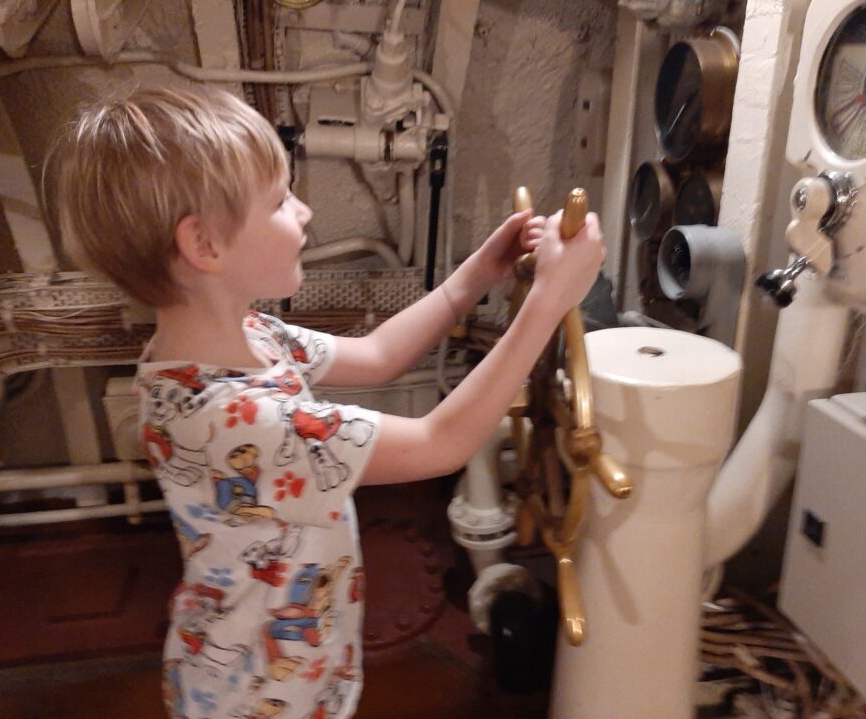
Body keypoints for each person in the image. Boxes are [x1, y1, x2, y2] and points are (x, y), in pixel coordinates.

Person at [54, 84, 604, 719]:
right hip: (263, 694)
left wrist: (474, 276)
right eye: (280, 200)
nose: (304, 211)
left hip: (268, 655)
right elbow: (441, 443)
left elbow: (376, 354)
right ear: (205, 246)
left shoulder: (237, 338)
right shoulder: (241, 420)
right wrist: (549, 301)